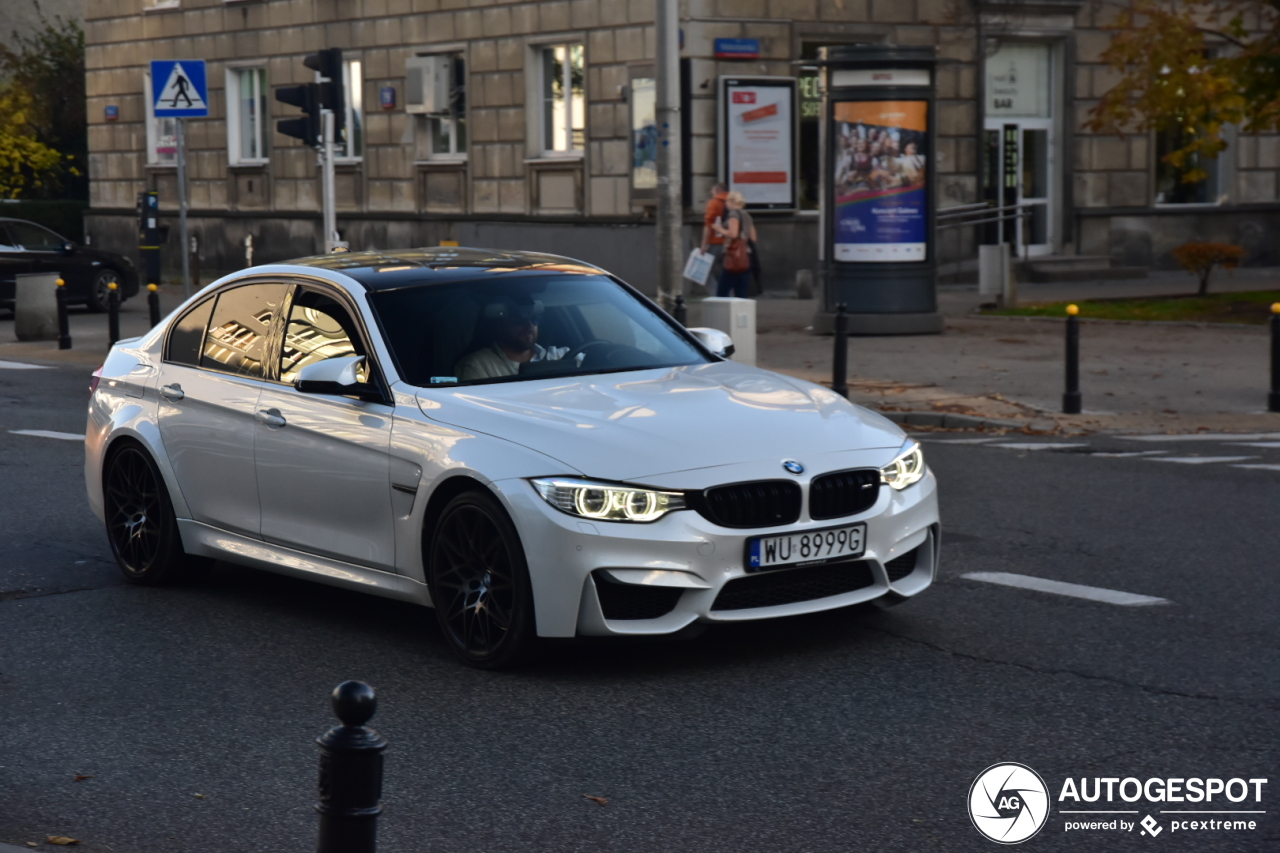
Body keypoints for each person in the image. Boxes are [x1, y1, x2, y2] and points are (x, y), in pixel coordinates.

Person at [455, 296, 569, 380]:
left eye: (534, 320)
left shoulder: (561, 357)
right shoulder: (478, 365)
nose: (529, 326)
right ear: (499, 325)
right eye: (519, 320)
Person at [712, 191, 757, 299]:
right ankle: (742, 315)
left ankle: (722, 315)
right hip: (746, 256)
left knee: (722, 292)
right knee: (741, 293)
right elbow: (753, 238)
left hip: (734, 257)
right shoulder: (746, 215)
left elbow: (733, 234)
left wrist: (719, 229)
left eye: (726, 201)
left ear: (731, 201)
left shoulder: (733, 214)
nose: (726, 204)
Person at [699, 182, 730, 287]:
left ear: (717, 191)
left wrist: (704, 244)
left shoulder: (714, 203)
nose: (712, 194)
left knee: (704, 272)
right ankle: (729, 295)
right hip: (730, 243)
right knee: (727, 272)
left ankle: (716, 295)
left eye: (712, 192)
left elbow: (708, 225)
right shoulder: (732, 202)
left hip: (715, 242)